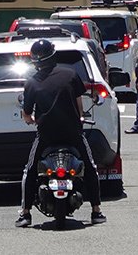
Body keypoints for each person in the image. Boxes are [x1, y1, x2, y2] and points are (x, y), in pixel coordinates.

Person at [16, 39, 105, 228]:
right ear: (53, 55)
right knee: (90, 166)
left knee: (29, 170)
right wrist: (79, 117)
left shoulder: (31, 83)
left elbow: (26, 114)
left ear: (35, 61)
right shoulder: (71, 74)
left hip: (46, 135)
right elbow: (79, 106)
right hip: (73, 132)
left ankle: (25, 214)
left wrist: (30, 120)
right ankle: (96, 211)